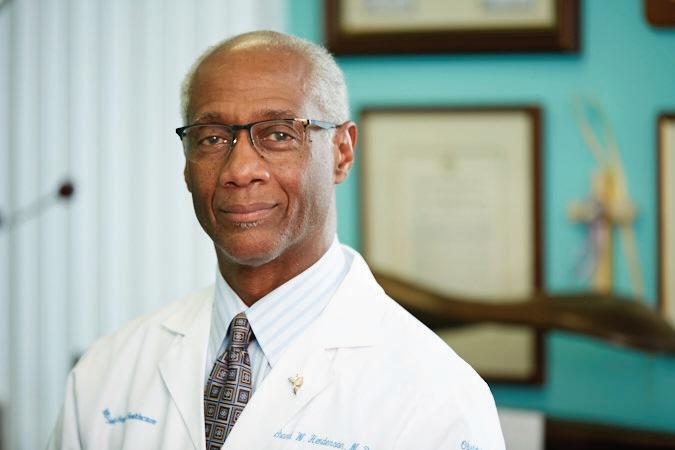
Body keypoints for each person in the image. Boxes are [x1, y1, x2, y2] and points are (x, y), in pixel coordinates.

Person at [47, 30, 504, 450]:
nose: (240, 170)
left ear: (342, 152)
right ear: (186, 164)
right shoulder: (106, 374)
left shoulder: (438, 399)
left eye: (279, 134)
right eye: (212, 139)